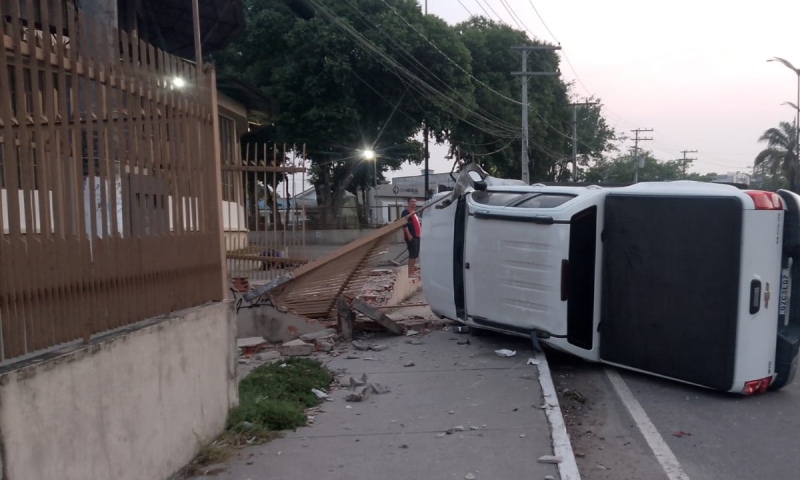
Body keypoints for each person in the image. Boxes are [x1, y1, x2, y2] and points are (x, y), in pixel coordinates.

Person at [401, 197, 421, 278]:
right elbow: (404, 224)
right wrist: (408, 235)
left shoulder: (414, 213)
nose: (414, 203)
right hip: (411, 236)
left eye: (415, 202)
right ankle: (410, 273)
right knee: (412, 254)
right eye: (412, 201)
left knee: (415, 254)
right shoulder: (406, 212)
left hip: (417, 236)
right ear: (408, 203)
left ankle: (412, 272)